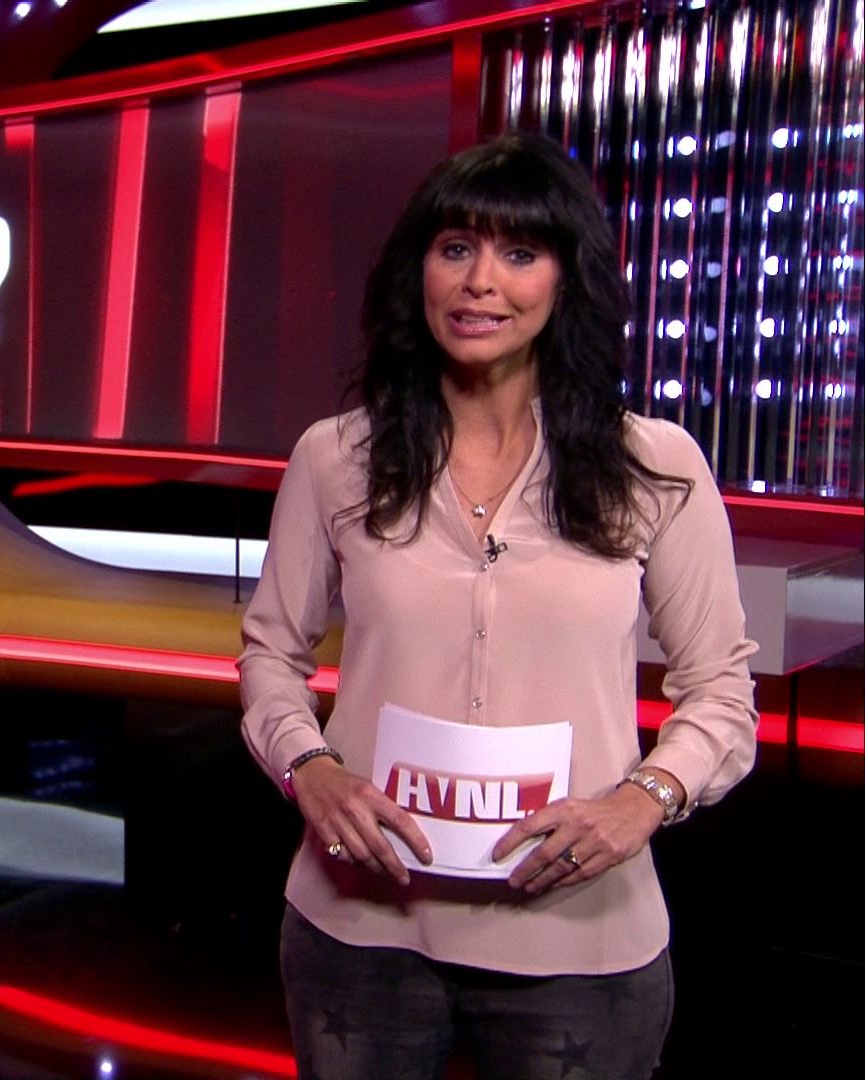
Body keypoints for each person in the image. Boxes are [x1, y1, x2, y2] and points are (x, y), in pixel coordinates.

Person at [238, 132, 758, 1080]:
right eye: (456, 249)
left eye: (519, 253)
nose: (481, 282)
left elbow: (721, 690)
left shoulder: (655, 465)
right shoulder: (335, 458)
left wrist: (641, 801)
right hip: (362, 932)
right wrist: (308, 768)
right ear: (420, 272)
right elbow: (271, 653)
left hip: (580, 943)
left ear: (566, 281)